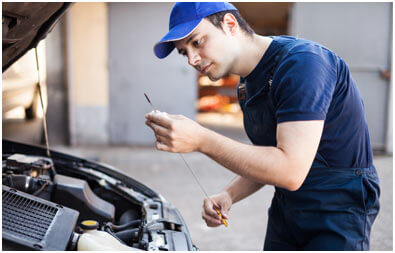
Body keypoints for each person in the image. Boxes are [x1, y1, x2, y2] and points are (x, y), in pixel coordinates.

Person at [146, 2, 380, 250]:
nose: (192, 59)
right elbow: (269, 156)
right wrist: (229, 194)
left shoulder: (303, 64)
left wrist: (201, 140)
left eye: (196, 42)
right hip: (289, 207)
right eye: (184, 52)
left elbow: (289, 170)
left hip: (339, 208)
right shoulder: (247, 85)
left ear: (229, 24)